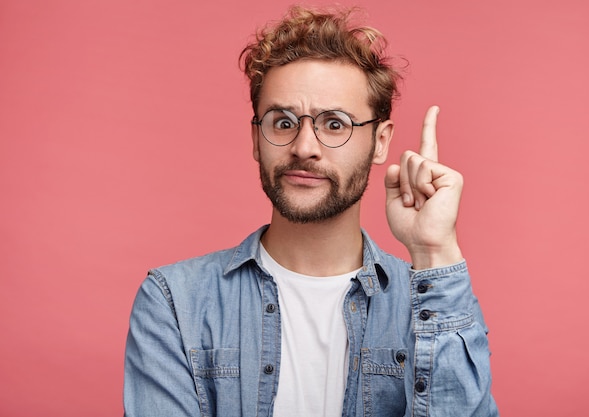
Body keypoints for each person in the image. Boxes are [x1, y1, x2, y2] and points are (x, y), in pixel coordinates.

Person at [124, 5, 498, 417]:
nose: (304, 147)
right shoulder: (176, 302)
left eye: (334, 124)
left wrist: (434, 252)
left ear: (380, 141)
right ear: (256, 137)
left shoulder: (428, 306)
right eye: (283, 122)